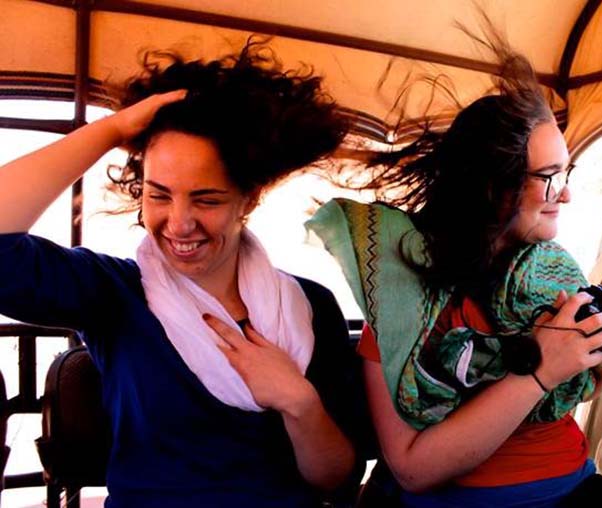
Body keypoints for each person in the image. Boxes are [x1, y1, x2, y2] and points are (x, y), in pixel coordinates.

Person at [0, 40, 364, 508]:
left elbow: (335, 478)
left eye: (207, 199)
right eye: (158, 195)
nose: (179, 223)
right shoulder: (113, 293)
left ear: (248, 200)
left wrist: (300, 402)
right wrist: (111, 130)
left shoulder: (311, 305)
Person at [306, 40, 602, 507]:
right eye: (550, 176)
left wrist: (595, 367)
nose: (565, 196)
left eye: (567, 173)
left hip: (575, 486)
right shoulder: (404, 296)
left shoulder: (549, 272)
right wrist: (539, 372)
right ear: (493, 185)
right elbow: (411, 468)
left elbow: (555, 405)